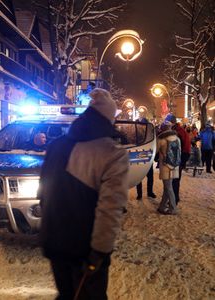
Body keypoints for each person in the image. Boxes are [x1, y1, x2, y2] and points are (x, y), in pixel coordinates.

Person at [38, 88, 129, 300]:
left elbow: (43, 191)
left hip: (54, 241)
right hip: (85, 249)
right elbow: (110, 208)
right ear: (108, 119)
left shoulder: (56, 145)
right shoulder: (112, 153)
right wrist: (100, 251)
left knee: (66, 294)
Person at [165, 114, 191, 205]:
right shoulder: (178, 130)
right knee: (175, 179)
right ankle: (175, 197)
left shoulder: (178, 132)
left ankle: (174, 199)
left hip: (179, 158)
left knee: (175, 179)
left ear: (172, 122)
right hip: (181, 157)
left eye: (168, 122)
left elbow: (177, 148)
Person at [157, 120, 181, 215]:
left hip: (165, 166)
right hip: (174, 166)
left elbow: (154, 150)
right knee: (167, 187)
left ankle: (173, 208)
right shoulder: (177, 139)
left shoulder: (161, 139)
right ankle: (162, 207)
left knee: (168, 187)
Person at [135, 117, 156, 200]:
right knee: (138, 176)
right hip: (138, 155)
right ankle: (139, 194)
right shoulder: (136, 132)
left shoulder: (149, 133)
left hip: (147, 155)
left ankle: (149, 192)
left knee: (150, 176)